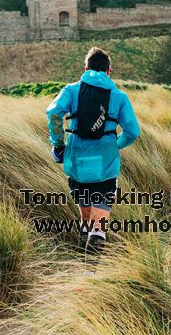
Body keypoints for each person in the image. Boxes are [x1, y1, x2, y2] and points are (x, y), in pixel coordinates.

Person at [46, 47, 140, 266]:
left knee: (86, 218)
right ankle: (90, 277)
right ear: (109, 71)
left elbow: (53, 113)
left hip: (77, 162)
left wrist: (58, 144)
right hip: (105, 166)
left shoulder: (71, 91)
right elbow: (133, 132)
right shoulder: (119, 96)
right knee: (99, 224)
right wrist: (115, 145)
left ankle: (81, 266)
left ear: (85, 68)